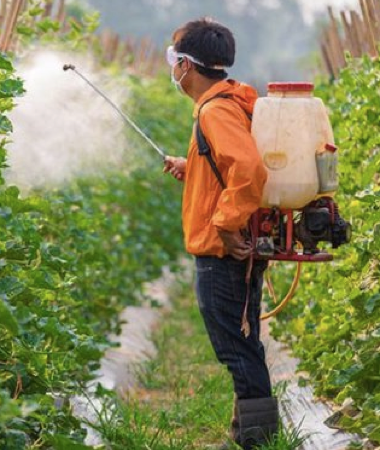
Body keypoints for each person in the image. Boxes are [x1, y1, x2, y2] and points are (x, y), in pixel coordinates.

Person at [162, 18, 278, 450]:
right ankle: (249, 435)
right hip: (233, 246)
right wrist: (191, 167)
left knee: (235, 346)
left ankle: (259, 441)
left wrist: (225, 225)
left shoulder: (215, 110)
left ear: (187, 65)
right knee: (243, 339)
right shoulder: (230, 102)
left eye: (173, 59)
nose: (172, 68)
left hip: (223, 250)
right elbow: (228, 166)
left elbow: (248, 169)